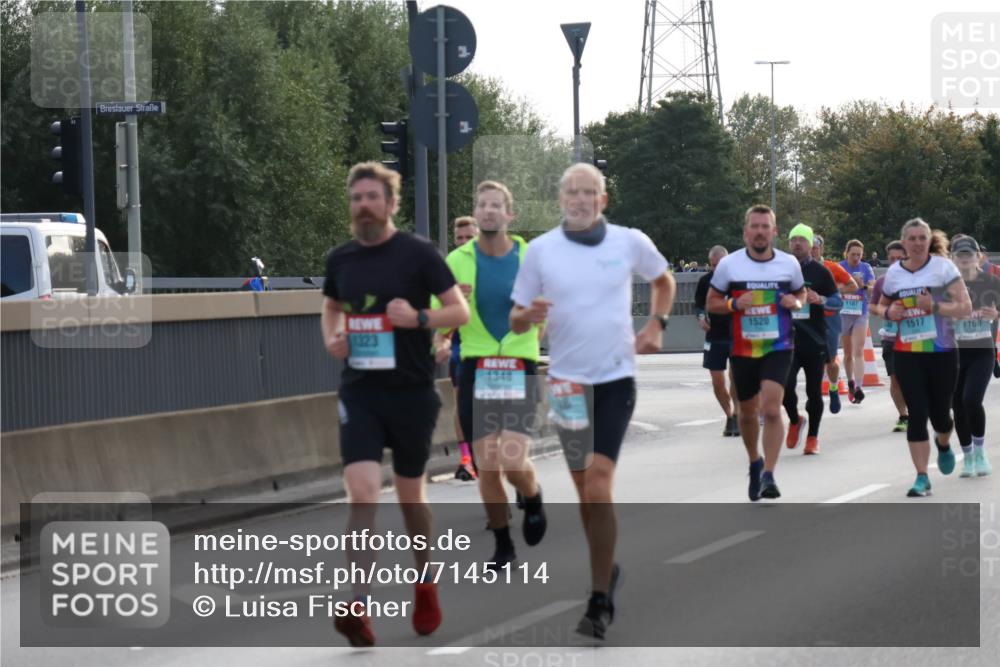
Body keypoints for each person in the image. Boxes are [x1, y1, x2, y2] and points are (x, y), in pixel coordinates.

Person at [510, 163, 675, 640]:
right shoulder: (540, 251)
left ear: (603, 200)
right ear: (561, 200)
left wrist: (656, 324)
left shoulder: (629, 241)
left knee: (600, 484)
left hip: (615, 379)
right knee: (585, 490)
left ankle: (599, 596)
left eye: (589, 193)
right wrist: (529, 316)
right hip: (565, 384)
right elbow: (516, 318)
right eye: (571, 193)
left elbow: (663, 281)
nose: (580, 200)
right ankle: (607, 568)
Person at [322, 162, 470, 646]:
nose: (363, 205)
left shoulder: (418, 254)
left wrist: (419, 316)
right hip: (360, 390)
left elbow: (459, 310)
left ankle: (425, 583)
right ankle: (357, 604)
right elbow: (330, 306)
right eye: (356, 198)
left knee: (410, 499)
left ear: (390, 203)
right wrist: (334, 336)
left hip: (411, 391)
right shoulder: (340, 259)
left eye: (371, 197)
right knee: (362, 492)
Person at [436, 181, 547, 573]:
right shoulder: (457, 260)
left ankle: (532, 496)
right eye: (481, 204)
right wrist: (443, 331)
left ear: (509, 215)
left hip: (518, 366)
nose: (487, 211)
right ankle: (503, 544)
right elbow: (440, 310)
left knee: (514, 460)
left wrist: (537, 335)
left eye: (495, 205)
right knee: (486, 463)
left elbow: (546, 309)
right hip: (477, 367)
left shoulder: (530, 258)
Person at [707, 205, 806, 501]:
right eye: (755, 226)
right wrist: (734, 305)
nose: (760, 231)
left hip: (779, 346)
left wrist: (796, 302)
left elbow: (800, 293)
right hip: (743, 348)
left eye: (766, 226)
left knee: (772, 409)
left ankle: (769, 475)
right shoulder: (730, 265)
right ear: (746, 232)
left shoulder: (789, 264)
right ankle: (754, 461)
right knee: (748, 414)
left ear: (774, 232)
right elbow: (713, 301)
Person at [878, 218, 972, 497]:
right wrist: (888, 312)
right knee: (917, 413)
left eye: (922, 238)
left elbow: (965, 307)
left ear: (928, 241)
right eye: (912, 238)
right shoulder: (895, 273)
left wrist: (935, 305)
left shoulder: (944, 267)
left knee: (941, 415)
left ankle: (943, 443)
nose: (917, 243)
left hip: (942, 352)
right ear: (904, 242)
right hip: (907, 353)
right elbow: (881, 304)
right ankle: (921, 477)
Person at [783, 224, 841, 455]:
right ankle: (795, 419)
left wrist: (821, 300)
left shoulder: (820, 271)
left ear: (810, 245)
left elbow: (839, 302)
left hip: (815, 339)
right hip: (787, 338)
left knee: (814, 392)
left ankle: (813, 438)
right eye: (793, 239)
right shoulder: (781, 270)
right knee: (784, 387)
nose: (797, 243)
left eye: (802, 240)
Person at [950, 236, 997, 477]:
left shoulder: (990, 281)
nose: (965, 258)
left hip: (981, 351)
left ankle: (980, 452)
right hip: (955, 353)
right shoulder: (946, 284)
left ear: (977, 256)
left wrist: (996, 313)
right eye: (961, 255)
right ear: (953, 258)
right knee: (957, 404)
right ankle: (967, 457)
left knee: (971, 399)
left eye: (970, 254)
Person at [438, 216, 479, 481]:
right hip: (460, 341)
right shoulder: (451, 262)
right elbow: (440, 305)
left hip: (494, 345)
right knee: (460, 398)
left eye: (469, 237)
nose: (463, 242)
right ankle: (466, 458)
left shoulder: (494, 259)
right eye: (460, 238)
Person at [694, 245, 739, 436]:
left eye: (719, 265)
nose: (715, 269)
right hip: (714, 336)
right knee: (717, 382)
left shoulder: (736, 280)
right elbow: (698, 306)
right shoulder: (705, 281)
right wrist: (701, 318)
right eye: (713, 266)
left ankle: (737, 415)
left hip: (735, 334)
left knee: (735, 377)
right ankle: (728, 415)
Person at [811, 235, 859, 414]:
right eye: (810, 247)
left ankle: (833, 387)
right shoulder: (798, 268)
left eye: (815, 248)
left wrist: (832, 290)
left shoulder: (831, 267)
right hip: (806, 320)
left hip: (829, 318)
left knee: (830, 362)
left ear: (821, 250)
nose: (812, 251)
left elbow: (852, 285)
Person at [869, 241, 909, 432]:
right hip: (891, 338)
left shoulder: (918, 280)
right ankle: (904, 415)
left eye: (900, 259)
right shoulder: (882, 282)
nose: (895, 263)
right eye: (892, 259)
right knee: (895, 379)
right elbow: (873, 305)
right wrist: (886, 311)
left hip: (916, 338)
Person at [839, 239, 876, 404]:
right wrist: (846, 288)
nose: (856, 258)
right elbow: (833, 288)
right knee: (847, 354)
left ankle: (859, 388)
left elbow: (873, 287)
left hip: (861, 311)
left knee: (859, 350)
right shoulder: (839, 267)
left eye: (859, 255)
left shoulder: (866, 267)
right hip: (844, 312)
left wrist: (863, 287)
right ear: (846, 253)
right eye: (853, 254)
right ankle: (851, 382)